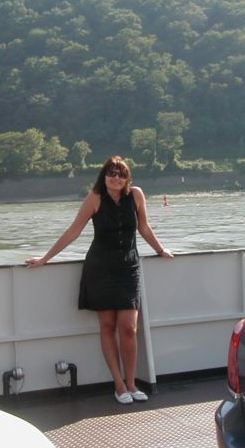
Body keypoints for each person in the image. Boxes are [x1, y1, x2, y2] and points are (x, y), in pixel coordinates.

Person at [26, 156, 173, 404]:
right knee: (108, 326)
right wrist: (45, 258)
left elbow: (144, 228)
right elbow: (74, 230)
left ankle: (132, 382)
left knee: (129, 328)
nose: (116, 178)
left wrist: (160, 250)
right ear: (103, 176)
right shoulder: (95, 198)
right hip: (101, 269)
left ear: (128, 178)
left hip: (128, 268)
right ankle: (119, 385)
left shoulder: (136, 195)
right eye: (111, 173)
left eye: (121, 174)